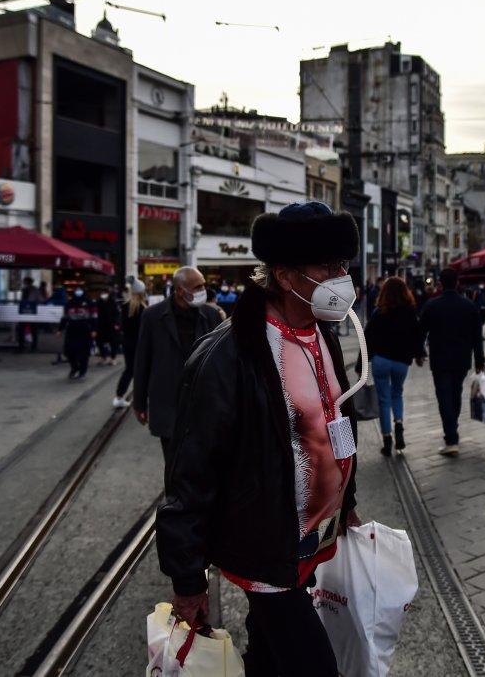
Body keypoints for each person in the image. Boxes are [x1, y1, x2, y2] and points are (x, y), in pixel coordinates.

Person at [157, 201, 361, 675]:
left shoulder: (324, 333)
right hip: (267, 550)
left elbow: (337, 421)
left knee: (269, 659)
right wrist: (188, 579)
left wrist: (348, 500)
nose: (340, 277)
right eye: (327, 267)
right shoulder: (229, 355)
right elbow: (190, 473)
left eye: (343, 265)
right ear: (286, 276)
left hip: (313, 543)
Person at [133, 266, 223, 484]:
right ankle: (175, 509)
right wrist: (139, 402)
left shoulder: (211, 315)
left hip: (204, 404)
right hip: (168, 401)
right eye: (198, 287)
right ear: (181, 291)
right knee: (174, 466)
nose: (204, 290)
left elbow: (224, 361)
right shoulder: (152, 316)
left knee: (204, 465)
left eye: (204, 285)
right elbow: (142, 359)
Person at [419, 268, 485, 456]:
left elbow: (421, 331)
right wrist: (480, 359)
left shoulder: (432, 305)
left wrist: (419, 351)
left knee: (444, 397)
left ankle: (451, 437)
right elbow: (477, 336)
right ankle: (452, 429)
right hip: (462, 358)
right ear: (457, 282)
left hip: (440, 359)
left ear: (440, 283)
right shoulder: (469, 306)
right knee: (455, 393)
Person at [358, 276, 424, 457]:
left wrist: (360, 363)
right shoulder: (410, 312)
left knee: (383, 400)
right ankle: (399, 425)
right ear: (405, 292)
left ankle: (387, 440)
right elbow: (417, 336)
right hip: (401, 362)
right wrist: (419, 355)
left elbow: (367, 338)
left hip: (381, 360)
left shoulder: (379, 312)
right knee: (397, 394)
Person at [113, 280, 147, 407]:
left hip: (127, 343)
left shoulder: (125, 306)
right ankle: (140, 398)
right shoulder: (142, 308)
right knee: (140, 371)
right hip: (139, 344)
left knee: (130, 370)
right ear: (141, 292)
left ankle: (119, 396)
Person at [58, 285, 97, 379]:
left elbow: (94, 317)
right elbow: (65, 317)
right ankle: (75, 368)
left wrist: (94, 329)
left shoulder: (89, 303)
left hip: (85, 330)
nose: (78, 292)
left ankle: (82, 371)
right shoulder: (70, 303)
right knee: (69, 351)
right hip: (72, 330)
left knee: (83, 353)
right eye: (77, 290)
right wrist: (60, 329)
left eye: (80, 290)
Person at [95, 284, 121, 365]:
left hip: (111, 325)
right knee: (100, 342)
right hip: (101, 325)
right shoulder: (98, 302)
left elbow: (117, 314)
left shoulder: (113, 302)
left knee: (113, 342)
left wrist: (117, 323)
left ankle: (113, 358)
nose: (104, 294)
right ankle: (104, 357)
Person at [16, 276, 43, 353]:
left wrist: (35, 304)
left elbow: (41, 299)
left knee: (33, 330)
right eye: (25, 282)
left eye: (25, 282)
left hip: (32, 312)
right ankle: (21, 346)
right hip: (23, 312)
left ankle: (33, 347)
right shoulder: (24, 290)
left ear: (29, 282)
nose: (25, 283)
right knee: (21, 330)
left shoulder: (35, 290)